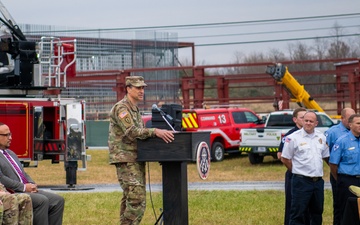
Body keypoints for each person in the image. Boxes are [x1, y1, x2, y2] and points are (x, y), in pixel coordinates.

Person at [108, 76, 174, 225]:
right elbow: (131, 131)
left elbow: (139, 131)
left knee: (131, 198)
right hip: (125, 158)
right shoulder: (122, 108)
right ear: (128, 88)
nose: (141, 91)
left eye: (143, 87)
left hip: (135, 158)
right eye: (138, 87)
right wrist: (154, 132)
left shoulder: (135, 109)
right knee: (136, 199)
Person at [0, 122, 65, 225]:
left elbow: (23, 173)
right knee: (41, 201)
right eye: (6, 135)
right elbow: (2, 179)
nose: (10, 138)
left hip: (26, 189)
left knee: (58, 200)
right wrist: (24, 188)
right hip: (12, 193)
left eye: (10, 134)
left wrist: (32, 184)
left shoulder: (11, 153)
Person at [281, 111, 329, 225]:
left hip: (317, 182)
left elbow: (326, 156)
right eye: (306, 120)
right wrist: (296, 171)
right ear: (302, 121)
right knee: (298, 213)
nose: (308, 123)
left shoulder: (321, 137)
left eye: (311, 121)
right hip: (301, 181)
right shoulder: (293, 138)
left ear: (316, 123)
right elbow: (285, 158)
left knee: (317, 212)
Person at [277, 107, 308, 225]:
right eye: (302, 118)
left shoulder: (310, 134)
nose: (305, 120)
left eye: (306, 117)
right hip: (294, 176)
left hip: (309, 176)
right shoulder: (290, 135)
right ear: (295, 119)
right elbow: (280, 155)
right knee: (293, 205)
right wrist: (295, 169)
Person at [324, 107, 355, 225]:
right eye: (349, 119)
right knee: (340, 204)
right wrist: (335, 170)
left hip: (354, 174)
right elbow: (325, 153)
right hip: (339, 174)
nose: (352, 122)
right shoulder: (332, 132)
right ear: (342, 118)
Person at [329, 114, 360, 224]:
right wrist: (340, 180)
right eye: (358, 123)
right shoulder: (341, 141)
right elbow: (333, 164)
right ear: (350, 125)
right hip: (347, 180)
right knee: (345, 211)